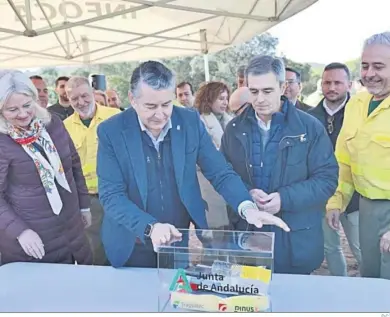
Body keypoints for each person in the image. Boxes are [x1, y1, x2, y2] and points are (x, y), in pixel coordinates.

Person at [96, 60, 290, 268]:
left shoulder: (188, 121)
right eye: (151, 106)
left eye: (166, 104)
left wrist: (247, 207)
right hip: (131, 239)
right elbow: (111, 195)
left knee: (173, 293)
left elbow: (220, 171)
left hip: (176, 238)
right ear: (132, 99)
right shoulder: (111, 131)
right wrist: (150, 228)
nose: (160, 114)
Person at [220, 55, 339, 274]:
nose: (260, 99)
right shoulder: (234, 129)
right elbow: (224, 176)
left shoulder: (310, 128)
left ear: (283, 87)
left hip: (296, 241)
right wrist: (246, 195)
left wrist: (284, 198)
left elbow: (327, 180)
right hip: (249, 240)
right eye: (254, 91)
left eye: (267, 91)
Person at [0, 70, 92, 265]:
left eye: (27, 105)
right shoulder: (2, 140)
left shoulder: (52, 123)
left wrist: (84, 206)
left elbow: (73, 165)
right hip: (31, 240)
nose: (23, 114)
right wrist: (20, 231)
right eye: (12, 110)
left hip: (71, 228)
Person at [327, 32, 390, 279]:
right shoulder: (356, 104)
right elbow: (343, 160)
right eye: (365, 66)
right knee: (371, 275)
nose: (369, 73)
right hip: (366, 209)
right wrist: (337, 201)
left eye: (379, 66)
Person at [309, 63, 361, 276]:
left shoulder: (360, 114)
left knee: (362, 249)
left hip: (356, 195)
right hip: (322, 194)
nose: (332, 87)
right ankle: (342, 289)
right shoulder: (310, 117)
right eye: (327, 82)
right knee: (330, 247)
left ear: (348, 84)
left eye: (337, 82)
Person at [64, 76, 121, 265]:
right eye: (74, 99)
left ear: (92, 93)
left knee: (123, 245)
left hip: (117, 195)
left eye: (84, 96)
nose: (80, 102)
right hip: (88, 200)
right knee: (95, 250)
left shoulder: (116, 116)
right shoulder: (64, 127)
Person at [194, 81, 233, 149]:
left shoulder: (231, 120)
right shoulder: (200, 123)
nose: (225, 103)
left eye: (227, 98)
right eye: (221, 99)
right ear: (208, 101)